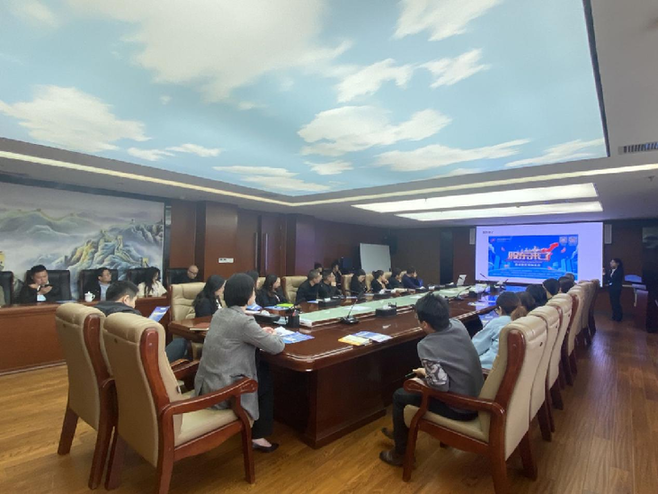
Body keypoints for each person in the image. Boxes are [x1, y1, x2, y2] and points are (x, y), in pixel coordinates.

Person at [379, 293, 484, 466]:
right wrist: (428, 372)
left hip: (460, 407)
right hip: (476, 395)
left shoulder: (426, 345)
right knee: (408, 392)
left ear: (425, 324)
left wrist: (426, 374)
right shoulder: (457, 324)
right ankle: (400, 433)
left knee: (400, 396)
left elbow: (441, 386)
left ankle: (401, 454)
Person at [195, 273, 285, 452]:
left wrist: (259, 332)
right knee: (265, 378)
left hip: (207, 383)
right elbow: (276, 347)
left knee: (262, 370)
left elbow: (238, 334)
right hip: (224, 391)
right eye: (253, 290)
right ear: (248, 295)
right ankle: (258, 436)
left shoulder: (220, 313)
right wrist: (274, 334)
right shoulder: (244, 322)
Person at [97, 281, 190, 362]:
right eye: (134, 301)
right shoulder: (129, 315)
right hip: (142, 364)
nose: (134, 305)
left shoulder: (97, 310)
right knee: (180, 342)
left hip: (113, 362)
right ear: (126, 299)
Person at [471, 292, 525, 370]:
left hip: (488, 369)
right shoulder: (524, 320)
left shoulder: (498, 322)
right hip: (512, 368)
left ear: (500, 309)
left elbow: (475, 348)